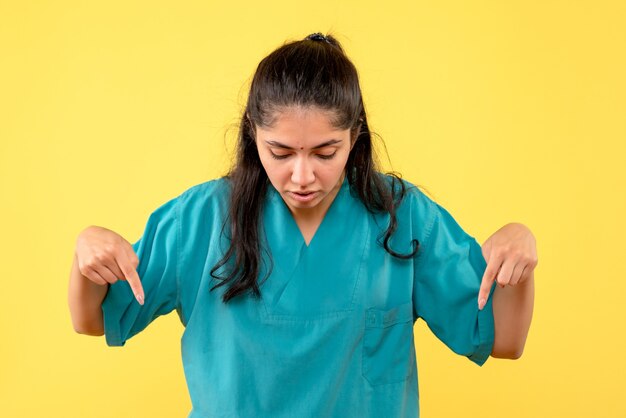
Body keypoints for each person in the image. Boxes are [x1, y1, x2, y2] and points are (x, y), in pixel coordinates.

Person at [68, 32, 536, 418]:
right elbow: (95, 318)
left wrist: (518, 250)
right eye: (281, 152)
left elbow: (504, 340)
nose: (303, 175)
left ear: (355, 136)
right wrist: (86, 253)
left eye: (326, 152)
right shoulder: (201, 219)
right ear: (253, 133)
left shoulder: (402, 215)